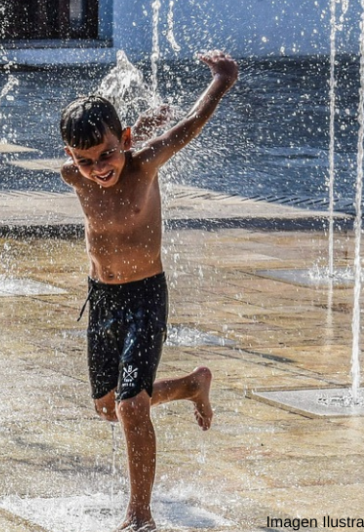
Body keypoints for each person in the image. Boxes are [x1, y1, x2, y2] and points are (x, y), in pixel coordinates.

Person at [59, 51, 238, 531]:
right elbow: (95, 154)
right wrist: (132, 126)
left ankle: (139, 514)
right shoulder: (72, 176)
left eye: (107, 154)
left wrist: (221, 80)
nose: (99, 168)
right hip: (102, 298)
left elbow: (191, 125)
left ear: (128, 142)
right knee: (109, 407)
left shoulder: (142, 165)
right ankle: (190, 386)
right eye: (86, 159)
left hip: (144, 297)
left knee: (130, 406)